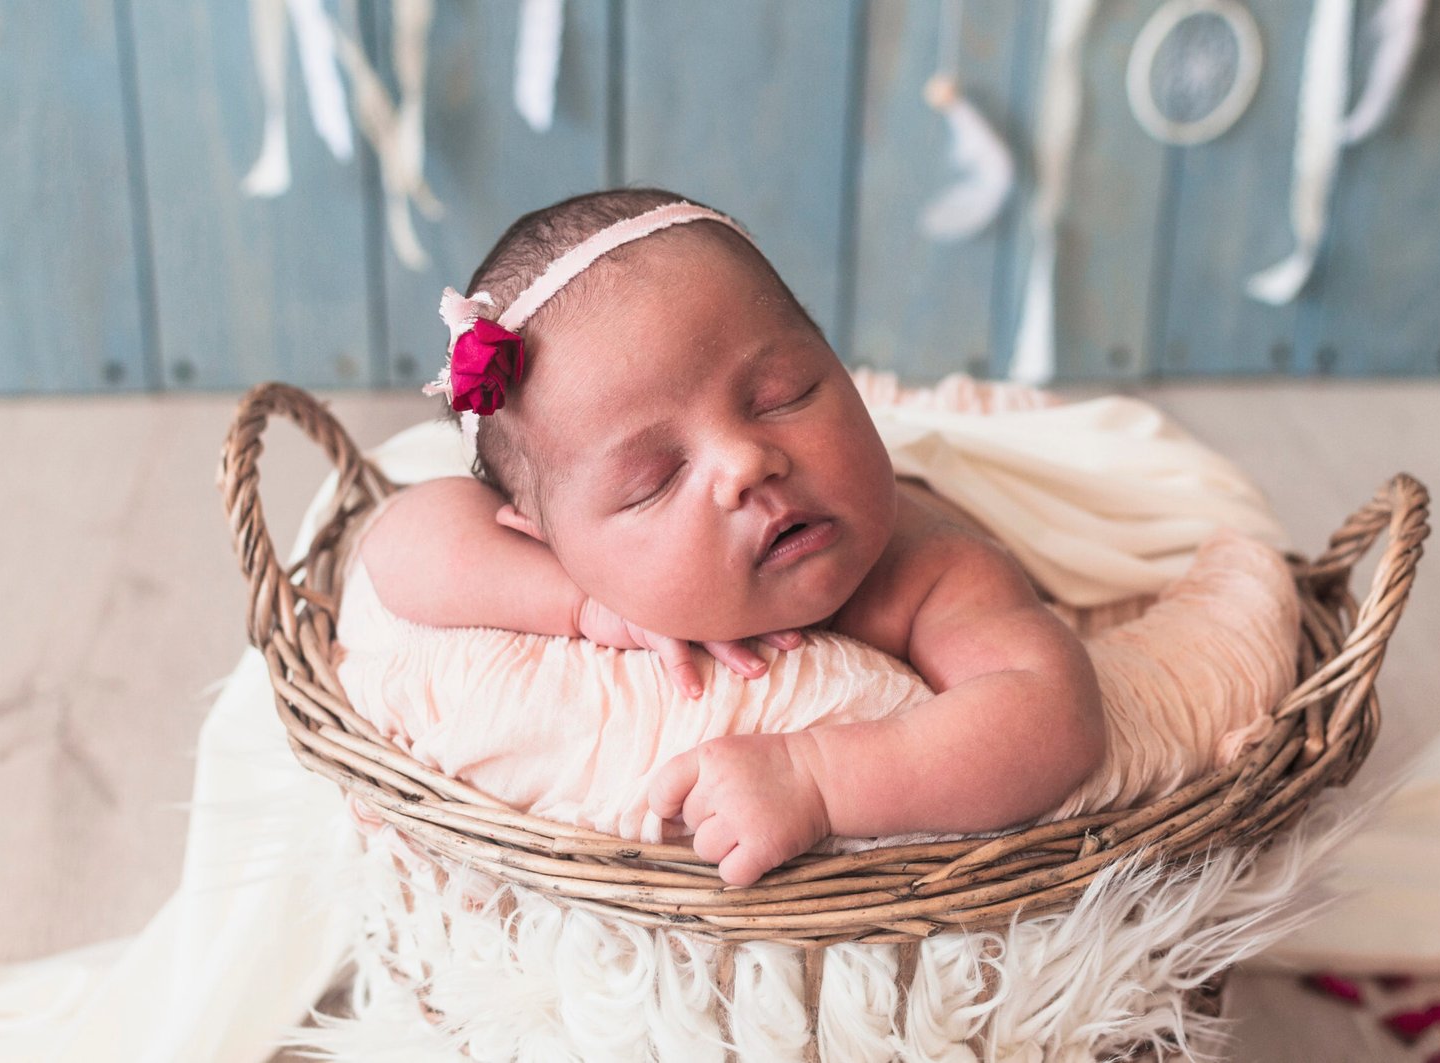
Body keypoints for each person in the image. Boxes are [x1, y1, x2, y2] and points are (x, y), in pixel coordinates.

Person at [361, 187, 1105, 887]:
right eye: (653, 479)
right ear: (551, 540)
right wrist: (582, 603)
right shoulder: (580, 571)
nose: (748, 462)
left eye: (785, 396)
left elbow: (1050, 715)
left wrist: (817, 777)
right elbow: (397, 542)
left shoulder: (923, 569)